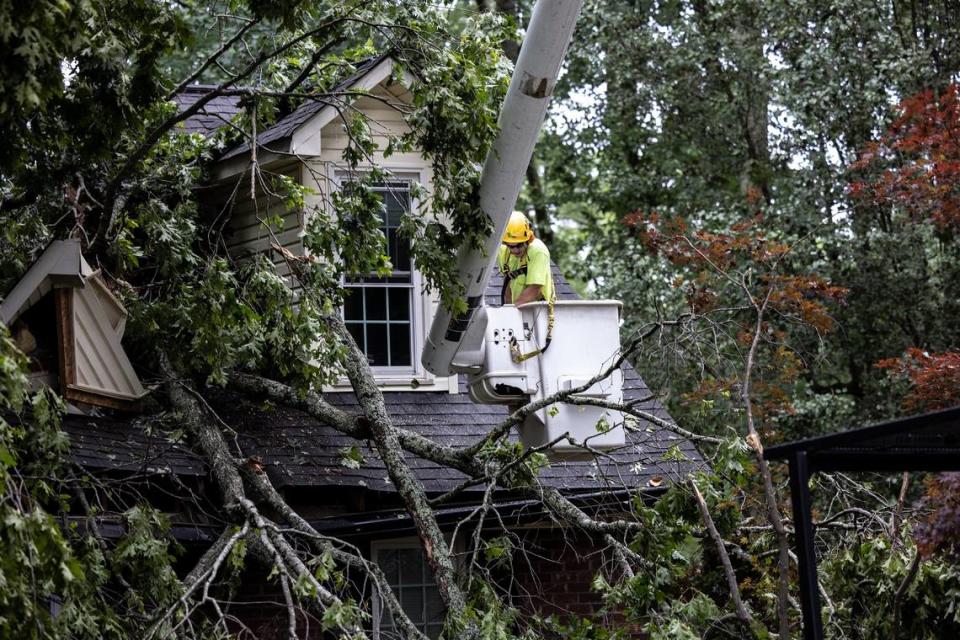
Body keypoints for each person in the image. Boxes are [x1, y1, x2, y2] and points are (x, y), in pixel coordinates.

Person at [497, 211, 555, 306]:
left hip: (538, 310)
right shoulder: (504, 252)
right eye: (510, 246)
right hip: (518, 308)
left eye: (519, 245)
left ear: (528, 239)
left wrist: (513, 311)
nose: (515, 250)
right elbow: (508, 283)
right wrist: (507, 309)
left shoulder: (538, 251)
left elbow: (535, 288)